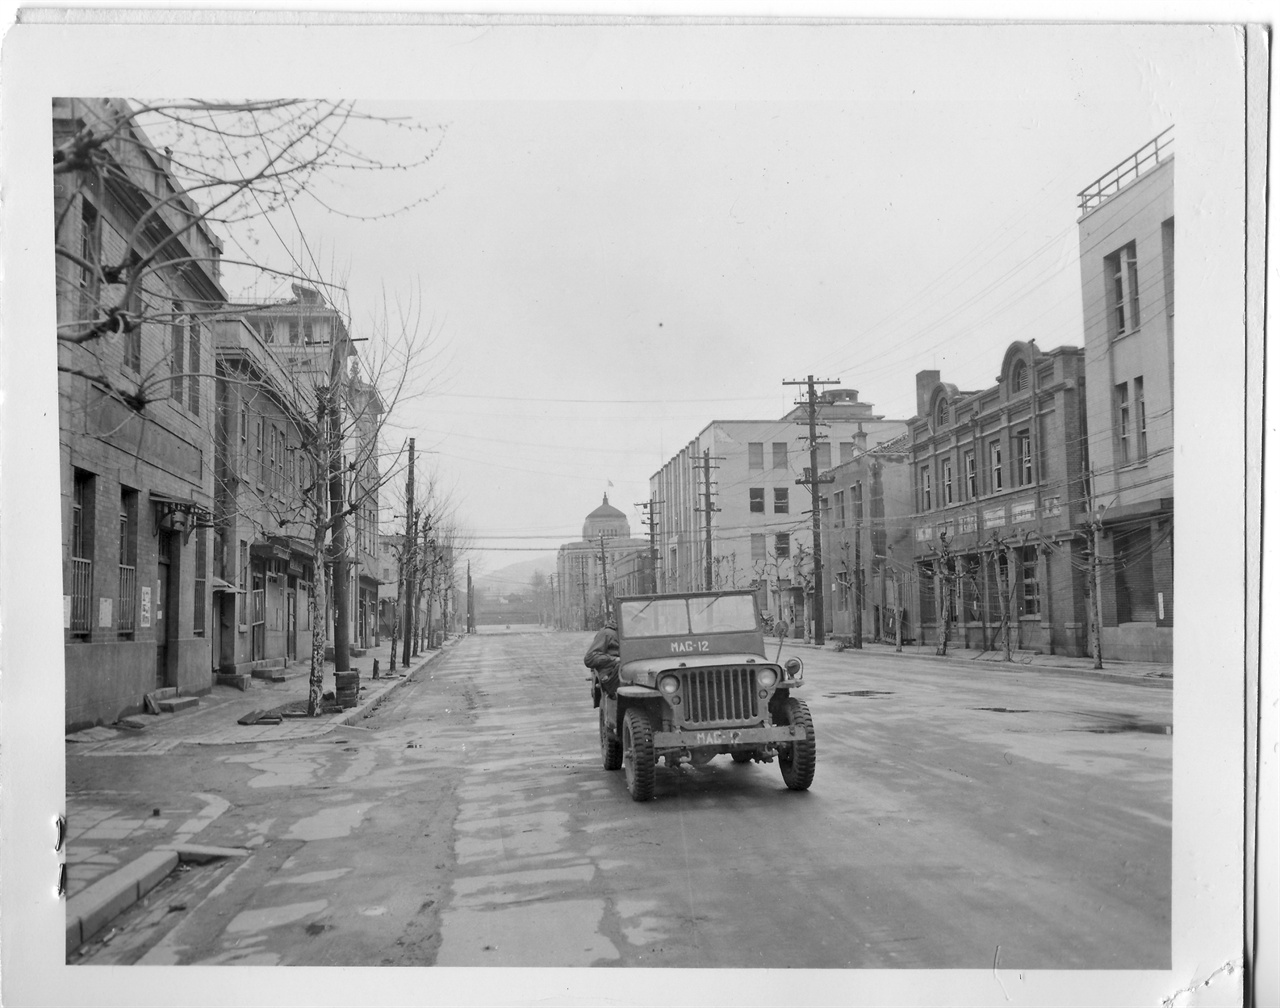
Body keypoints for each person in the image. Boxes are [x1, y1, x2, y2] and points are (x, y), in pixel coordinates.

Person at [584, 614, 621, 696]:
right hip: (612, 676)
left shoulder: (635, 633)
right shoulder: (607, 633)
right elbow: (589, 658)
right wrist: (614, 659)